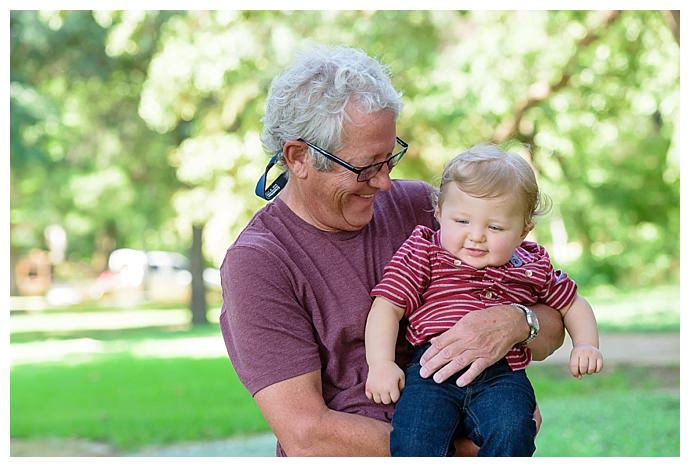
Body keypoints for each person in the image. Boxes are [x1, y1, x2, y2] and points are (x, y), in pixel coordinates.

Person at [219, 44, 565, 457]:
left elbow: (554, 327)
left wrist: (516, 322)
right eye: (366, 167)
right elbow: (308, 434)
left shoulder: (424, 209)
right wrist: (458, 451)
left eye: (390, 159)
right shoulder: (259, 262)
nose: (384, 183)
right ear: (298, 157)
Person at [364, 145, 604, 456]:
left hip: (501, 373)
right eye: (462, 221)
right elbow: (387, 305)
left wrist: (586, 344)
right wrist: (380, 363)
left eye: (495, 227)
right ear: (439, 214)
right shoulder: (425, 252)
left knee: (514, 428)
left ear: (523, 230)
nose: (476, 235)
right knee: (415, 437)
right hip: (433, 368)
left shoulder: (530, 265)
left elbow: (572, 304)